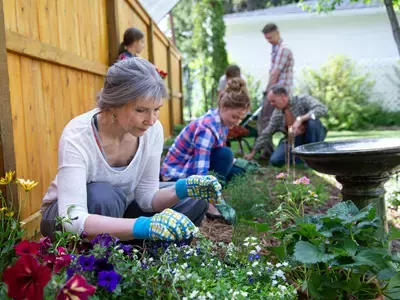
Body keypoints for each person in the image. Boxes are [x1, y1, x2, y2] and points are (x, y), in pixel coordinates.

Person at [40, 58, 223, 243]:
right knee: (104, 195)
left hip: (122, 208)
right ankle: (100, 265)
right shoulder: (78, 135)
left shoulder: (152, 130)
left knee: (193, 199)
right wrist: (142, 226)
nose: (151, 120)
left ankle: (150, 258)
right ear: (114, 104)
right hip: (67, 218)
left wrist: (184, 188)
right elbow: (72, 219)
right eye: (141, 110)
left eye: (156, 109)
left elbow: (146, 197)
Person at [161, 78, 250, 218]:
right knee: (226, 154)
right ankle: (208, 202)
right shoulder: (206, 128)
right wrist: (207, 193)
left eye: (240, 119)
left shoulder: (222, 122)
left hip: (190, 165)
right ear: (224, 107)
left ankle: (213, 192)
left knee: (237, 171)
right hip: (175, 174)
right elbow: (200, 167)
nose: (236, 122)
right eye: (234, 116)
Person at [245, 85, 328, 167]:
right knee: (275, 160)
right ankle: (305, 158)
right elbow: (267, 132)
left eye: (273, 101)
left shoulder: (302, 99)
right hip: (294, 140)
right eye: (270, 102)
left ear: (282, 96)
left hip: (312, 135)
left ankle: (313, 157)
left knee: (313, 122)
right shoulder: (277, 114)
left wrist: (301, 119)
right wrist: (253, 152)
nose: (271, 104)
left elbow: (322, 108)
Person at [257, 23, 294, 159]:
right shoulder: (276, 49)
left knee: (264, 120)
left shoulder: (283, 50)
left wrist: (267, 92)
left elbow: (275, 74)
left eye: (270, 37)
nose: (269, 41)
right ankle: (273, 151)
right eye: (266, 38)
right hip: (278, 92)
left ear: (277, 33)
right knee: (271, 120)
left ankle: (268, 152)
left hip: (279, 93)